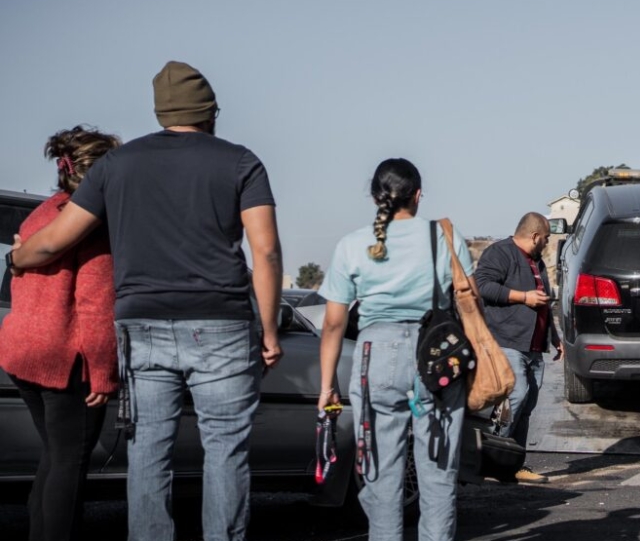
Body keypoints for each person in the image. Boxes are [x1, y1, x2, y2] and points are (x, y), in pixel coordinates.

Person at [10, 61, 283, 541]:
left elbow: (55, 240)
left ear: (160, 111)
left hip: (143, 326)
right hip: (221, 322)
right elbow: (265, 251)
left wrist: (16, 258)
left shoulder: (117, 165)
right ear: (211, 111)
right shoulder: (242, 162)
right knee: (225, 450)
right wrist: (269, 330)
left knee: (149, 453)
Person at [317, 158, 474, 541]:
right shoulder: (444, 236)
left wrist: (327, 386)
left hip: (376, 357)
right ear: (418, 195)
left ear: (375, 198)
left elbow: (334, 322)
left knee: (380, 473)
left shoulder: (352, 245)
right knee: (438, 473)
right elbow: (471, 301)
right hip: (436, 357)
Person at [0, 126, 120, 541]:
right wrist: (104, 373)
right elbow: (96, 305)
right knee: (69, 463)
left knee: (54, 458)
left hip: (23, 354)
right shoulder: (92, 224)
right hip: (65, 361)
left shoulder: (44, 212)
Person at [473, 212, 563, 484]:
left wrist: (554, 336)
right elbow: (482, 285)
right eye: (546, 239)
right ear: (535, 236)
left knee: (528, 404)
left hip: (534, 346)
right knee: (517, 396)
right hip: (506, 341)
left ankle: (513, 464)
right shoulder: (500, 253)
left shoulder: (536, 262)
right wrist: (523, 297)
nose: (547, 244)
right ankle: (491, 459)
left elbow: (543, 303)